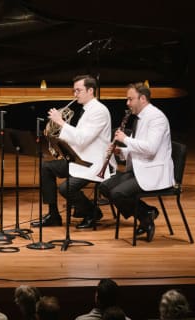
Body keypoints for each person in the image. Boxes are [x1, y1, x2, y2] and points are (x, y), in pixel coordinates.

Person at [31, 74, 114, 229]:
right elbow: (79, 137)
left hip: (93, 163)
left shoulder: (99, 111)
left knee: (65, 188)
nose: (75, 94)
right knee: (46, 167)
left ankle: (92, 212)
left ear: (90, 91)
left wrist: (61, 122)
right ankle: (53, 215)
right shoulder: (87, 109)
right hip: (80, 159)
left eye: (78, 90)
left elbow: (83, 139)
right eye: (74, 91)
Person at [99, 82, 173, 242]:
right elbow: (138, 146)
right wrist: (122, 151)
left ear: (143, 99)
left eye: (130, 99)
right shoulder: (140, 118)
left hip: (153, 171)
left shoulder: (156, 118)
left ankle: (145, 217)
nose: (127, 103)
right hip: (140, 168)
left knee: (117, 193)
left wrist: (125, 139)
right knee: (104, 186)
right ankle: (146, 213)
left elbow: (151, 148)